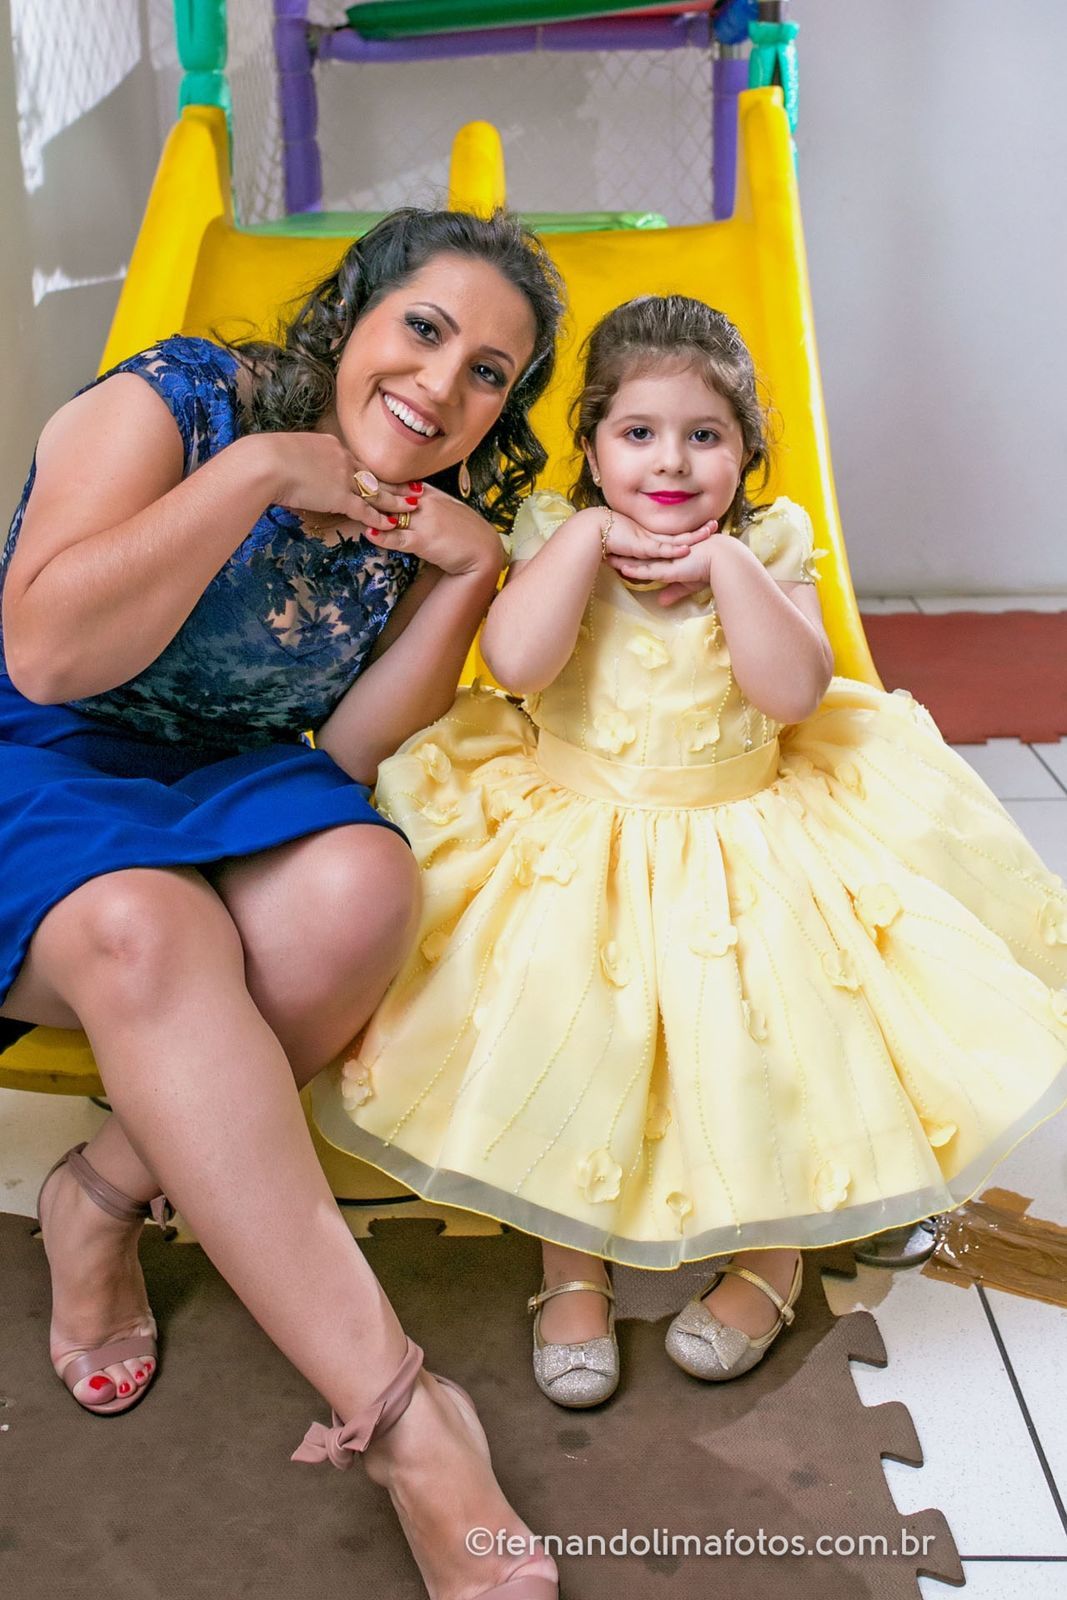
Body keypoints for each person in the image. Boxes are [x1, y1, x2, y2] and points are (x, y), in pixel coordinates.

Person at [316, 293, 1067, 1411]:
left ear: (745, 454)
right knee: (563, 1036)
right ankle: (568, 1263)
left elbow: (792, 690)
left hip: (743, 833)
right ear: (590, 449)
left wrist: (727, 571)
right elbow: (516, 665)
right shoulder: (552, 531)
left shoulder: (770, 542)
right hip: (575, 833)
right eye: (637, 433)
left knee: (772, 1044)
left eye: (703, 435)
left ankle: (770, 1256)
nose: (669, 461)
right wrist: (581, 543)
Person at [0, 208, 564, 1599]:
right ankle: (407, 1424)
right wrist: (257, 470)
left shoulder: (420, 511)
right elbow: (46, 656)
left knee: (365, 880)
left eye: (488, 373)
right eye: (423, 328)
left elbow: (350, 749)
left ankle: (101, 1191)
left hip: (226, 780)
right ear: (352, 312)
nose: (440, 384)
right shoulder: (177, 402)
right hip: (41, 757)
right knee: (150, 927)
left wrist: (468, 570)